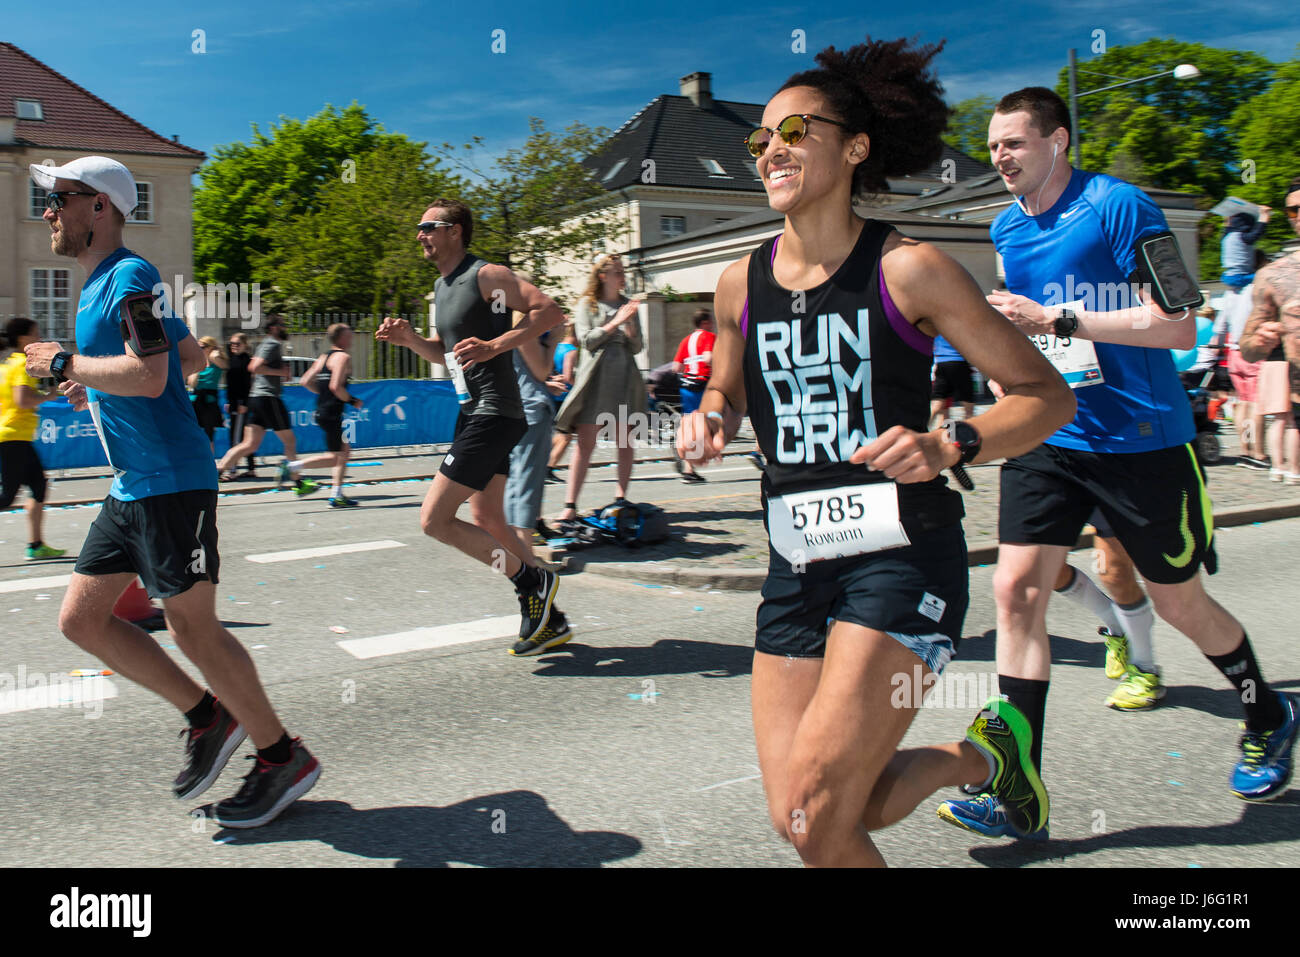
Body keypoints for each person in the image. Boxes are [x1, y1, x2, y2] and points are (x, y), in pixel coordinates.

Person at [677, 38, 1075, 866]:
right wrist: (709, 413)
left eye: (795, 129)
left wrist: (946, 441)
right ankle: (986, 756)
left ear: (855, 147)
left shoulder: (912, 269)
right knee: (799, 817)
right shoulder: (736, 283)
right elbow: (725, 383)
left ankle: (989, 756)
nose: (771, 149)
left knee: (823, 816)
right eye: (760, 139)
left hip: (900, 557)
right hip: (795, 560)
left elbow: (1046, 398)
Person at [936, 89, 1297, 839]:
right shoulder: (1006, 226)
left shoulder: (1119, 206)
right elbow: (1026, 327)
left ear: (1058, 142)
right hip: (1053, 435)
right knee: (1013, 590)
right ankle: (1016, 783)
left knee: (1177, 604)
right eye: (995, 145)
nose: (1000, 156)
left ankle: (1267, 707)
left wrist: (1061, 320)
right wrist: (1012, 368)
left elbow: (1180, 325)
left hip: (1143, 439)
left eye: (1015, 143)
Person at [25, 155, 319, 827]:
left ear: (98, 206)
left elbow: (153, 376)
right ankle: (207, 715)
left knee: (194, 627)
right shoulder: (103, 281)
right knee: (82, 619)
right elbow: (189, 358)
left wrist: (69, 363)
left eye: (59, 198)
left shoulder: (128, 276)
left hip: (169, 480)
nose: (49, 210)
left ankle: (280, 756)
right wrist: (91, 379)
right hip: (134, 483)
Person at [375, 198, 568, 656]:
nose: (420, 234)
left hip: (496, 412)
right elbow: (446, 354)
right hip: (472, 410)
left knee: (434, 519)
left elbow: (549, 310)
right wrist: (410, 340)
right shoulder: (443, 287)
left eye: (429, 226)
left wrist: (496, 345)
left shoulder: (488, 275)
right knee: (486, 518)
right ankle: (549, 617)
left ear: (456, 230)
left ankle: (534, 580)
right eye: (419, 227)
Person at [553, 256, 647, 521]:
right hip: (596, 376)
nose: (622, 276)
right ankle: (570, 505)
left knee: (625, 440)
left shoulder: (629, 305)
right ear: (603, 276)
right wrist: (616, 322)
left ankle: (621, 498)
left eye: (622, 272)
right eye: (617, 272)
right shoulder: (587, 304)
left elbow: (638, 347)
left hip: (625, 376)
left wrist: (629, 327)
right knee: (585, 442)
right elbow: (587, 340)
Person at [1051, 512, 1160, 710]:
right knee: (1045, 569)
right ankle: (1118, 625)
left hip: (1108, 483)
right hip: (1053, 483)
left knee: (1113, 572)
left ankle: (1145, 670)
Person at [1240, 176, 1300, 477]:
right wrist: (1261, 340)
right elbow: (1247, 349)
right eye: (1293, 210)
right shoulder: (1274, 275)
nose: (1299, 216)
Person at [215, 317, 317, 495]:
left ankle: (217, 470)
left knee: (250, 444)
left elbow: (256, 369)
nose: (286, 328)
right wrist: (280, 372)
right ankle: (298, 482)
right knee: (290, 441)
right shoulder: (272, 344)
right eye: (283, 325)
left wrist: (277, 375)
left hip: (257, 398)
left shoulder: (264, 344)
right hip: (268, 398)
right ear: (274, 328)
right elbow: (254, 367)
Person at [0, 317, 66, 560]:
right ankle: (36, 545)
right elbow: (22, 400)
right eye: (36, 335)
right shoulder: (21, 366)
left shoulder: (6, 365)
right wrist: (47, 396)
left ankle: (36, 544)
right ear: (24, 339)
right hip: (14, 437)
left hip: (15, 437)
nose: (39, 339)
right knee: (7, 497)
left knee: (38, 485)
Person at [296, 323, 364, 508]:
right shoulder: (343, 357)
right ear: (341, 338)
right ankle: (293, 467)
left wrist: (323, 394)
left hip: (322, 411)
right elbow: (335, 386)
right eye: (349, 336)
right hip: (333, 413)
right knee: (338, 455)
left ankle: (337, 493)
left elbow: (305, 381)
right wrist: (352, 400)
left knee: (343, 452)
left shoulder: (324, 357)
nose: (351, 339)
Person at [672, 309, 716, 483]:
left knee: (691, 425)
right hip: (703, 385)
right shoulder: (709, 337)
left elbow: (676, 367)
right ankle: (694, 454)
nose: (712, 324)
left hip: (686, 387)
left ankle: (689, 469)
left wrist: (690, 367)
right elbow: (708, 358)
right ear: (705, 323)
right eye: (710, 321)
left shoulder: (686, 340)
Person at [545, 322, 578, 484]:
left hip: (550, 395)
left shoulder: (556, 347)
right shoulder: (571, 351)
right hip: (564, 397)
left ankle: (543, 465)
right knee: (565, 436)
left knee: (556, 434)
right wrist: (581, 383)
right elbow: (567, 376)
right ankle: (548, 468)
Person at [224, 332, 258, 477]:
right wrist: (228, 401)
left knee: (236, 437)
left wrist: (244, 403)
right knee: (245, 437)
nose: (234, 346)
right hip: (234, 402)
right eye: (231, 344)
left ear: (245, 345)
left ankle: (232, 469)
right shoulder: (233, 359)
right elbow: (230, 384)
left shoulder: (245, 361)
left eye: (237, 344)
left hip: (240, 403)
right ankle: (250, 468)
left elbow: (246, 385)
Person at [187, 336, 227, 453]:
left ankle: (210, 464)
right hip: (195, 399)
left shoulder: (216, 361)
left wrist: (214, 355)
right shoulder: (197, 362)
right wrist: (199, 366)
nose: (199, 349)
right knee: (193, 433)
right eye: (198, 347)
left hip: (209, 400)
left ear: (211, 348)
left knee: (209, 434)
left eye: (202, 347)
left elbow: (226, 366)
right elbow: (192, 384)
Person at [928, 335, 975, 429]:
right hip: (958, 362)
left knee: (938, 402)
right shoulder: (958, 325)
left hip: (941, 363)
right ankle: (967, 432)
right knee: (968, 403)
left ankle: (923, 427)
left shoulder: (936, 328)